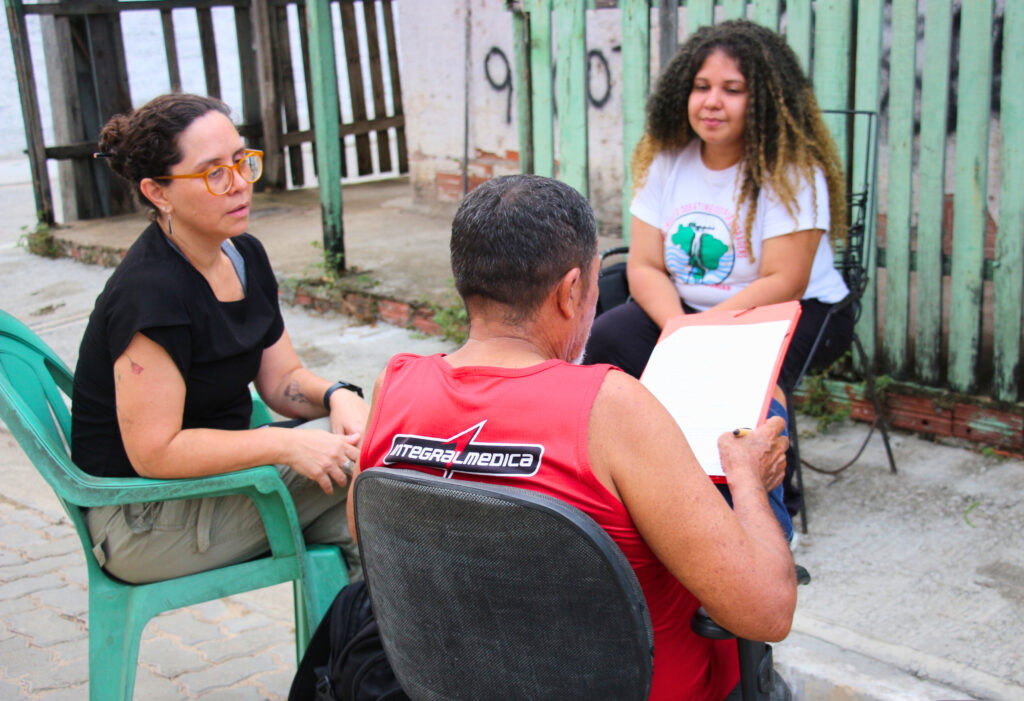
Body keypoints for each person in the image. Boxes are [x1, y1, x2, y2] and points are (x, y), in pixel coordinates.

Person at [349, 175, 796, 700]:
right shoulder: (610, 408)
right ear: (571, 291)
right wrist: (746, 477)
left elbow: (369, 540)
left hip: (457, 686)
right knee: (763, 422)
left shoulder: (394, 387)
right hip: (653, 688)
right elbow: (767, 612)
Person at [71, 93, 366, 584]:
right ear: (158, 192)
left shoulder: (244, 255)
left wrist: (339, 397)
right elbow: (155, 451)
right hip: (142, 520)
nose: (239, 185)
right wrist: (282, 446)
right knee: (374, 466)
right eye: (213, 173)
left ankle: (360, 659)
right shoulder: (150, 293)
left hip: (218, 489)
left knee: (383, 519)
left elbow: (282, 382)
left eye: (240, 162)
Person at [584, 19, 854, 518]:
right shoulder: (667, 160)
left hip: (793, 311)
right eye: (701, 87)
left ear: (766, 100)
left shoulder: (792, 171)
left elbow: (783, 280)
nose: (712, 102)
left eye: (733, 90)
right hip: (684, 312)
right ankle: (623, 472)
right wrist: (679, 329)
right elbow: (644, 264)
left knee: (737, 377)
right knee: (609, 336)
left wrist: (702, 337)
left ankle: (768, 503)